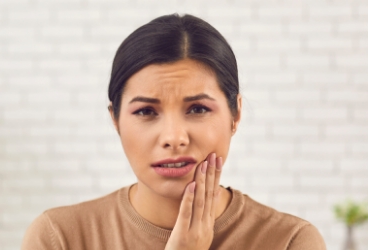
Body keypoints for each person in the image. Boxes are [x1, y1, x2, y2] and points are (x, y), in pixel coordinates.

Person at [21, 13, 327, 250]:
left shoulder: (290, 241)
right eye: (146, 112)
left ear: (236, 114)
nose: (173, 138)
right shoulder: (59, 238)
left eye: (197, 109)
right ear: (115, 120)